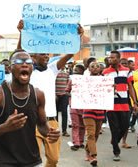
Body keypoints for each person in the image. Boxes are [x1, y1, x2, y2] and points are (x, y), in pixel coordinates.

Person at [17, 19, 84, 166]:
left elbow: (69, 55)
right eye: (42, 54)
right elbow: (18, 54)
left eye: (47, 54)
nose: (46, 56)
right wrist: (21, 33)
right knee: (33, 159)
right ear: (33, 57)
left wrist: (78, 37)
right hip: (32, 121)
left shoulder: (52, 69)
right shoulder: (26, 71)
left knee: (53, 159)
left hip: (51, 121)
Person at [0, 50, 60, 166]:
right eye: (18, 61)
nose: (24, 64)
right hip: (4, 162)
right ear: (10, 68)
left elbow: (42, 125)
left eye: (28, 62)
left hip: (32, 161)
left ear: (32, 68)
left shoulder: (38, 95)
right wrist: (4, 127)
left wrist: (50, 133)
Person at [102, 50, 138, 161]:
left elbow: (130, 87)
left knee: (125, 126)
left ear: (118, 59)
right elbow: (101, 88)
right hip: (111, 105)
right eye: (109, 57)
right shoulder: (105, 72)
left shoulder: (127, 71)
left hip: (124, 104)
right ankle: (116, 152)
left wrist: (135, 102)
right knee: (114, 129)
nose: (110, 59)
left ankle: (115, 141)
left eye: (112, 57)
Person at [83, 62, 105, 167]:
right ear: (88, 68)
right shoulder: (83, 80)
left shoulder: (105, 80)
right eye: (92, 66)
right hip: (88, 111)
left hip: (100, 111)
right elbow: (69, 91)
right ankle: (93, 156)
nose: (95, 68)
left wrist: (112, 87)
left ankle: (87, 149)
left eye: (97, 66)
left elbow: (109, 93)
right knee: (91, 134)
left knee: (96, 135)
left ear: (100, 68)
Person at [66, 64, 85, 151]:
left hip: (83, 106)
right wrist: (73, 95)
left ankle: (81, 141)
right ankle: (76, 142)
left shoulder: (86, 80)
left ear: (82, 71)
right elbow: (67, 91)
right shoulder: (71, 80)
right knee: (75, 124)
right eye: (74, 70)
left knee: (82, 125)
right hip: (73, 105)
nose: (74, 71)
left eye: (76, 70)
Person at [55, 67, 70, 137]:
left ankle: (64, 130)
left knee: (64, 112)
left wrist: (67, 93)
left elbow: (68, 84)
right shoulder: (54, 73)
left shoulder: (67, 74)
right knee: (55, 113)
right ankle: (56, 129)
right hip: (55, 95)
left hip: (64, 95)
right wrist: (54, 94)